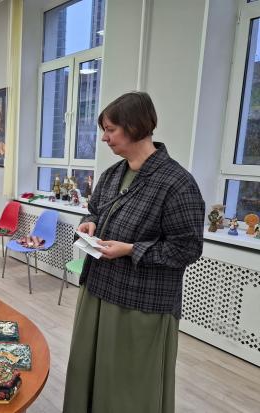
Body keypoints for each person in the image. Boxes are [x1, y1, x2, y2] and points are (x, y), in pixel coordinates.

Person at [63, 92, 205, 413]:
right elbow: (95, 211)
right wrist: (89, 223)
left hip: (139, 306)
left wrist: (130, 250)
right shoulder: (112, 174)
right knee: (88, 372)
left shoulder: (178, 184)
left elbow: (187, 248)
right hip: (98, 291)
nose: (104, 138)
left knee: (126, 387)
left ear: (135, 126)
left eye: (110, 129)